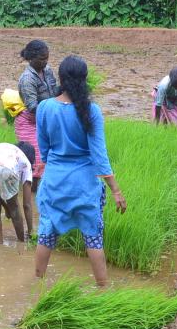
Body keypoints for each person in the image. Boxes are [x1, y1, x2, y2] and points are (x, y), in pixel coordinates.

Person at [34, 55, 126, 287]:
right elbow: (99, 155)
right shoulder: (91, 110)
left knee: (47, 233)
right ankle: (103, 288)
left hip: (54, 180)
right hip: (84, 184)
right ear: (85, 80)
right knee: (93, 237)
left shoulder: (44, 107)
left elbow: (43, 149)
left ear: (61, 79)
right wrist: (115, 190)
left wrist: (51, 163)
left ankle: (37, 286)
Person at [15, 40, 59, 184]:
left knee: (51, 157)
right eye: (42, 59)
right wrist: (54, 108)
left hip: (47, 119)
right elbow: (33, 107)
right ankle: (32, 194)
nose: (45, 62)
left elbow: (54, 90)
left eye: (47, 58)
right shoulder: (27, 79)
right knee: (34, 161)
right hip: (30, 121)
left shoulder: (47, 70)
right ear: (31, 58)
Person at [0, 141, 35, 243]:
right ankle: (21, 243)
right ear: (31, 157)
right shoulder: (26, 162)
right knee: (15, 208)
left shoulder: (8, 149)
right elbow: (27, 205)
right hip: (5, 170)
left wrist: (6, 207)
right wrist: (31, 232)